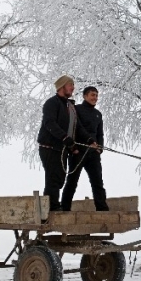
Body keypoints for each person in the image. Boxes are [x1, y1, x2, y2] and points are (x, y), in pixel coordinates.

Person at [37, 75, 97, 212]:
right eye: (70, 85)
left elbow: (78, 127)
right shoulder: (52, 103)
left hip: (62, 148)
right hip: (50, 147)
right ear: (62, 86)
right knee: (53, 177)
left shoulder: (70, 106)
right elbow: (49, 123)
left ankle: (53, 205)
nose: (73, 88)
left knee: (59, 178)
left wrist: (89, 140)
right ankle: (51, 208)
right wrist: (64, 137)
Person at [61, 85, 109, 212]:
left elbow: (100, 134)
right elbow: (77, 128)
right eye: (93, 95)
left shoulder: (98, 114)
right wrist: (88, 141)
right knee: (72, 181)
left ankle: (102, 209)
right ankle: (64, 208)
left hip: (93, 153)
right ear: (85, 96)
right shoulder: (76, 110)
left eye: (97, 95)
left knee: (97, 182)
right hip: (78, 151)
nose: (95, 98)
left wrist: (100, 148)